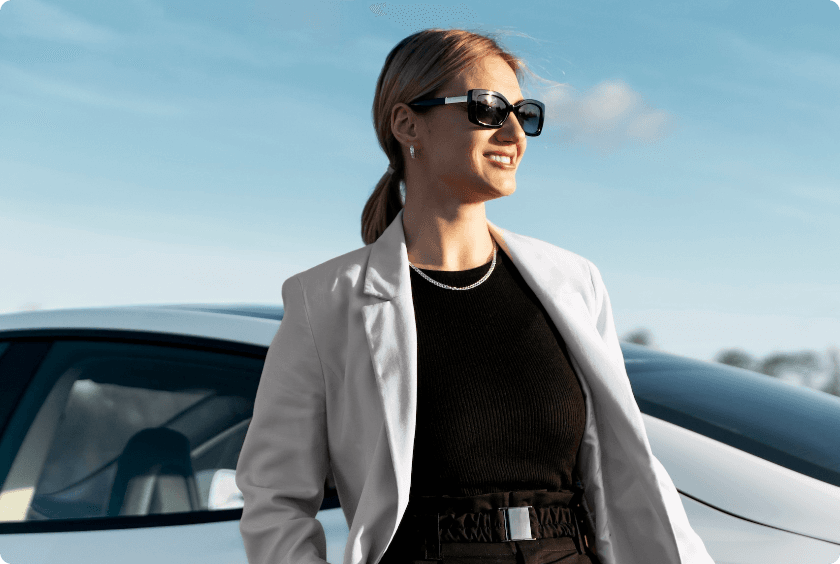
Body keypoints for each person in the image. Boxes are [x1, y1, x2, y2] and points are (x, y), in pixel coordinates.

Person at [235, 28, 716, 564]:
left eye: (525, 113)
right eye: (487, 107)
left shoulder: (575, 281)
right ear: (406, 122)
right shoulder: (323, 299)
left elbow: (629, 470)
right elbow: (274, 498)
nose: (515, 131)